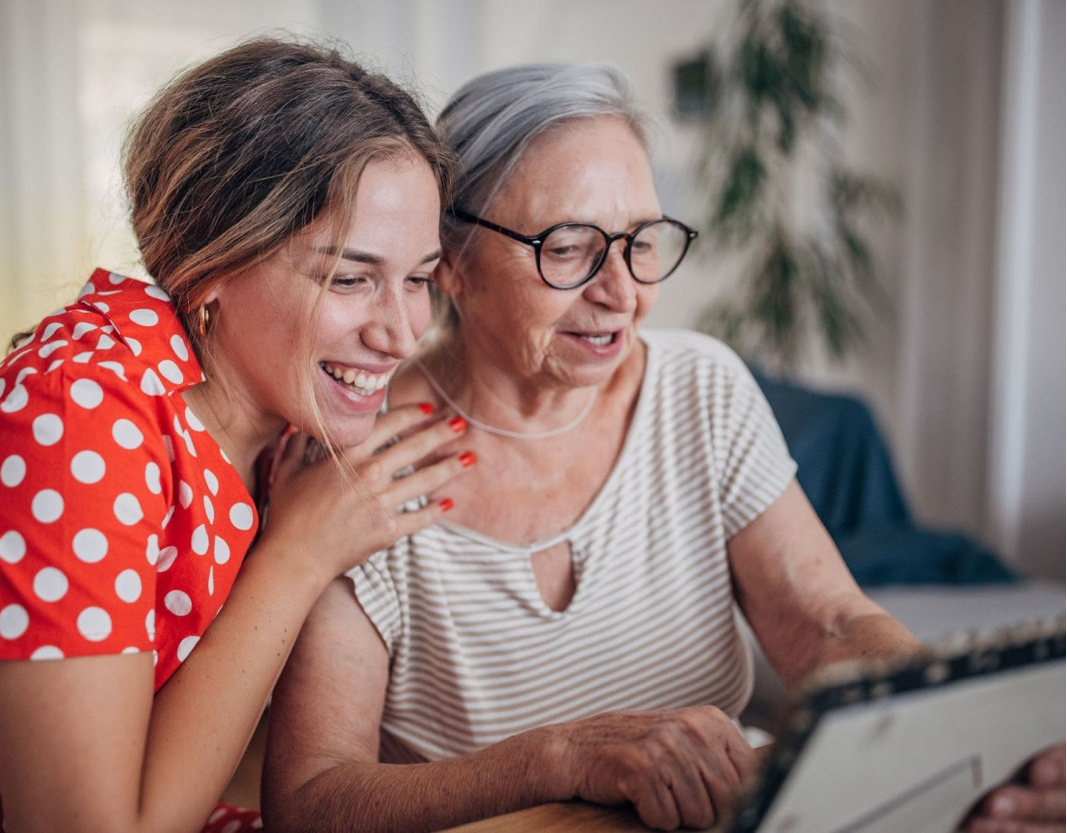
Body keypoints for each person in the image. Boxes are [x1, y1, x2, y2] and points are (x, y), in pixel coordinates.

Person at [261, 62, 1066, 833]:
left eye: (643, 240)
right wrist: (559, 755)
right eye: (569, 247)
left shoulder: (699, 388)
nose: (624, 292)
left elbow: (826, 623)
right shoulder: (356, 453)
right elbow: (313, 800)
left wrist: (964, 737)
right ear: (454, 263)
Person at [0, 39, 474, 833]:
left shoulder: (273, 421)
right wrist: (298, 555)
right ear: (210, 263)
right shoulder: (75, 416)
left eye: (417, 279)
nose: (404, 333)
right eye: (349, 277)